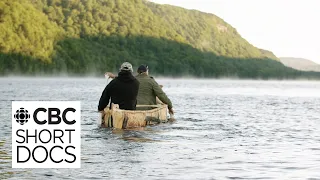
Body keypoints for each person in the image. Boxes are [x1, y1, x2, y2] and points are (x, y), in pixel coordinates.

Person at [105, 65, 174, 115]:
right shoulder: (151, 81)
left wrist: (113, 76)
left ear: (137, 72)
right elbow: (161, 95)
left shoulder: (132, 80)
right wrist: (170, 107)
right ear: (146, 72)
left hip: (132, 109)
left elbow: (120, 80)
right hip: (147, 110)